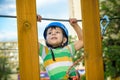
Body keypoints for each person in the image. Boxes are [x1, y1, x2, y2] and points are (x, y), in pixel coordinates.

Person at [37, 15, 83, 80]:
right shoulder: (44, 51)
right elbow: (30, 41)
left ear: (64, 39)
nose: (53, 34)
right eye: (49, 33)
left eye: (57, 32)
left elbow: (83, 41)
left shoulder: (68, 49)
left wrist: (75, 25)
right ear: (46, 40)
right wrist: (33, 21)